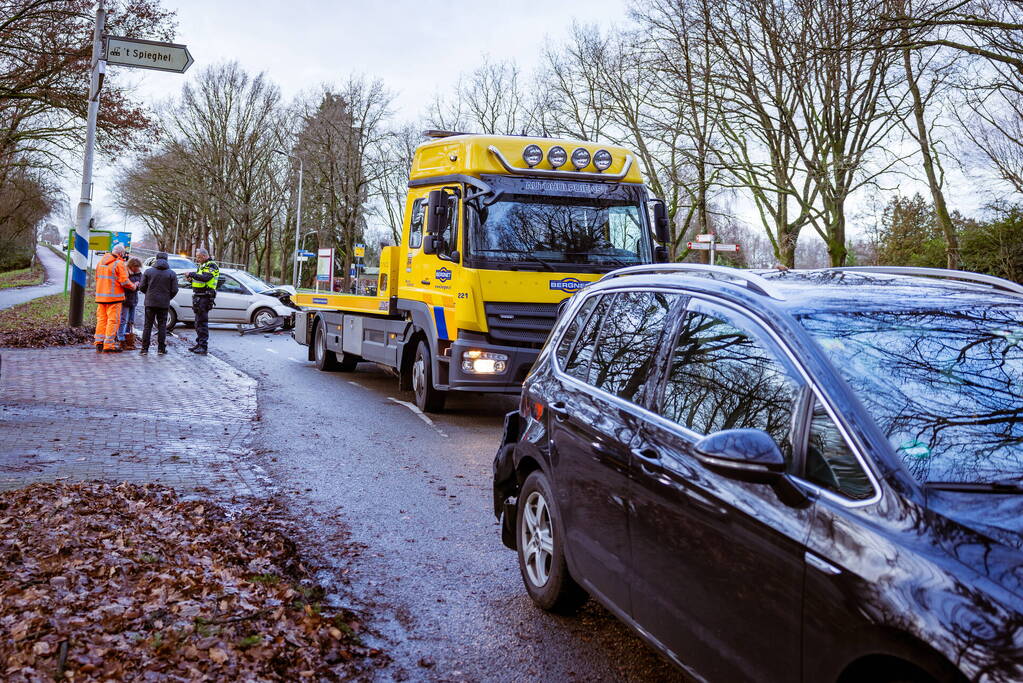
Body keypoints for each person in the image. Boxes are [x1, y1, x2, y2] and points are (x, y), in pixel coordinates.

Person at [93, 244, 136, 353]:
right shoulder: (119, 263)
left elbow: (97, 278)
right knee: (113, 321)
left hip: (101, 297)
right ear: (121, 253)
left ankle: (99, 342)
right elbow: (124, 281)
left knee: (101, 320)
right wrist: (133, 286)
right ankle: (108, 345)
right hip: (114, 298)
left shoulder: (101, 262)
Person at [138, 251, 179, 355]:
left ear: (156, 259)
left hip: (150, 302)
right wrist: (168, 297)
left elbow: (141, 287)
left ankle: (144, 349)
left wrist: (148, 294)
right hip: (163, 303)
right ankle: (161, 349)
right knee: (162, 326)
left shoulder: (148, 272)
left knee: (148, 326)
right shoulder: (171, 273)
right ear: (167, 260)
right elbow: (175, 290)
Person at [185, 247, 219, 355]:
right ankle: (199, 343)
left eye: (199, 257)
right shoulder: (202, 266)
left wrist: (191, 274)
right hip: (199, 296)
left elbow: (206, 278)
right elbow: (199, 281)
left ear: (204, 256)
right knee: (197, 323)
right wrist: (191, 280)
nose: (197, 259)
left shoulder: (211, 265)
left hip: (205, 297)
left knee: (202, 322)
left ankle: (203, 346)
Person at [115, 257, 143, 350]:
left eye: (138, 267)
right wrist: (134, 285)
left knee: (131, 321)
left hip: (134, 300)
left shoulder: (139, 273)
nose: (137, 269)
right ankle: (121, 339)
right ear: (131, 266)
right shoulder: (125, 272)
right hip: (125, 299)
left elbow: (141, 284)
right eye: (135, 267)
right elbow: (124, 284)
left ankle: (128, 339)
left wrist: (137, 285)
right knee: (123, 320)